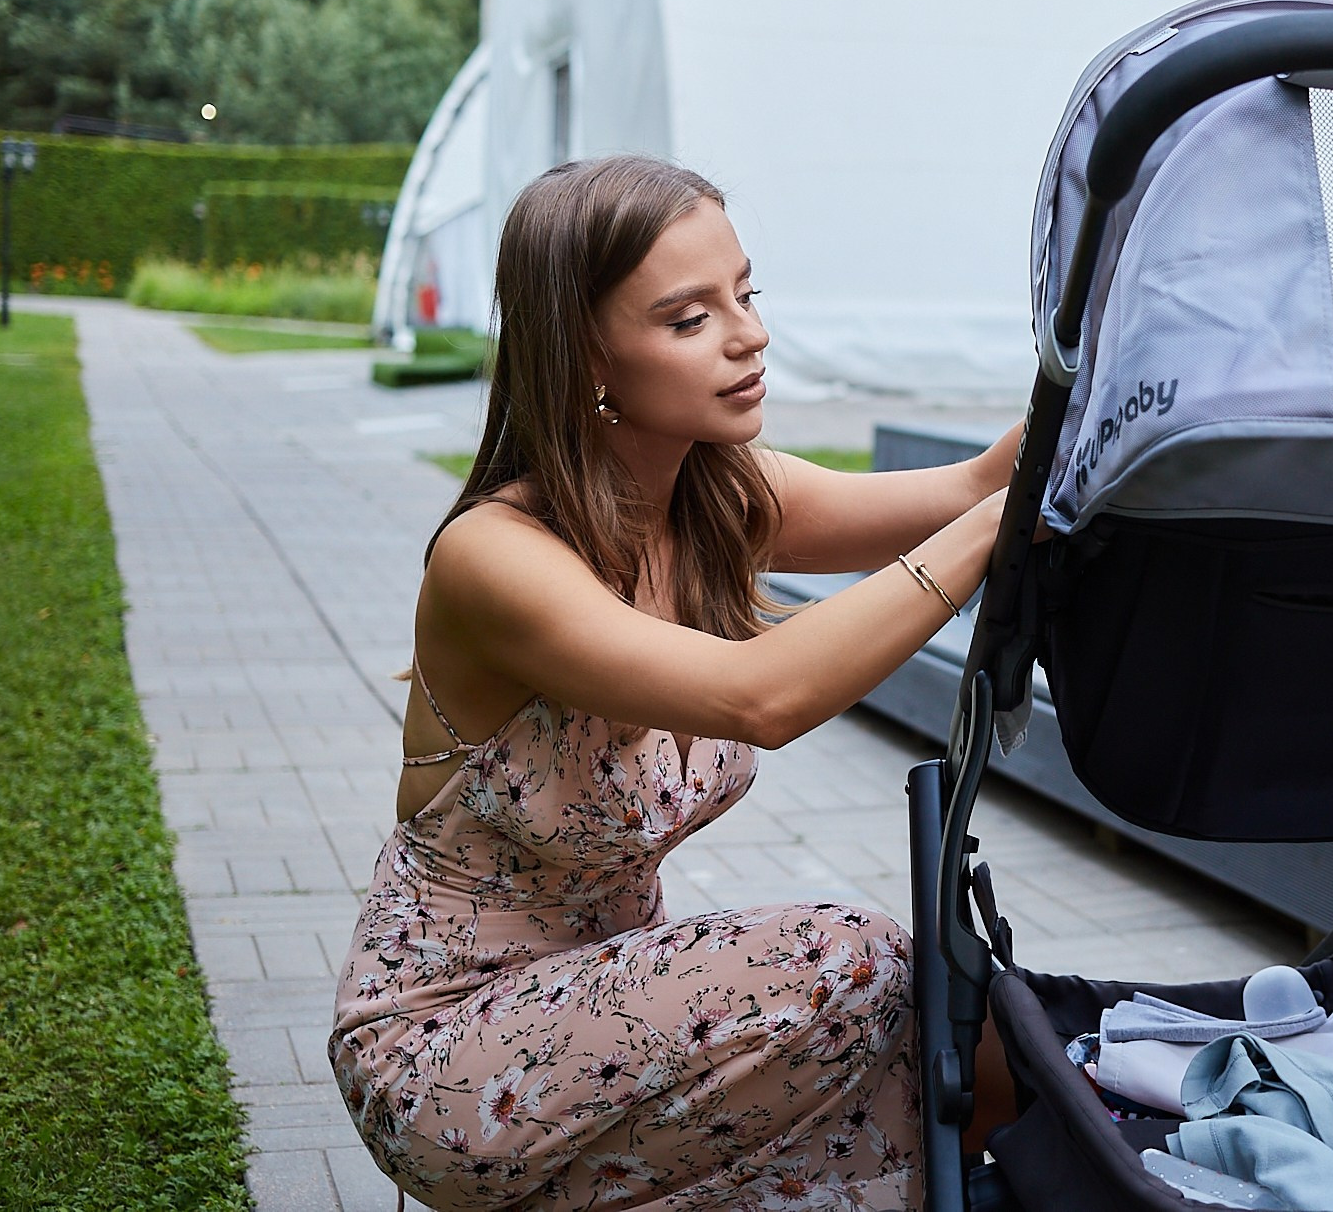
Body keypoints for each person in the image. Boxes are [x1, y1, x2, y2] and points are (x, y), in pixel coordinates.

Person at [331, 155, 1021, 1211]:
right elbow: (762, 697)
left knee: (944, 1040)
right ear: (585, 355)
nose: (751, 335)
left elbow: (972, 485)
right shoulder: (493, 557)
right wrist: (986, 536)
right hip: (449, 1049)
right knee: (857, 959)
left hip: (605, 1020)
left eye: (746, 293)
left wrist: (1100, 388)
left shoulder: (713, 497)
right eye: (691, 318)